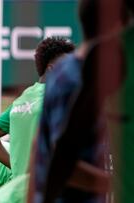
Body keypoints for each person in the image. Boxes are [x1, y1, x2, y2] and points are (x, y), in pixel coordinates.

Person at [28, 0, 129, 202]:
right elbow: (66, 164)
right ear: (115, 26)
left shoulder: (64, 71)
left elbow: (39, 145)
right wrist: (120, 184)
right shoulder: (74, 79)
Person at [0, 37, 75, 203]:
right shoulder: (59, 98)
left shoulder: (22, 99)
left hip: (19, 191)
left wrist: (18, 168)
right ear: (51, 69)